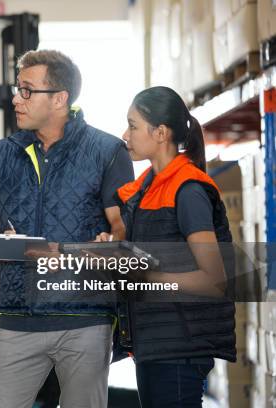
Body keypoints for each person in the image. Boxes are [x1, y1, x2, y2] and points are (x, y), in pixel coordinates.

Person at [0, 49, 134, 408]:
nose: (16, 98)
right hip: (18, 318)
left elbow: (123, 228)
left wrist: (106, 244)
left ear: (60, 98)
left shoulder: (107, 151)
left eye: (27, 90)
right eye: (17, 88)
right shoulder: (3, 153)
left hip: (85, 319)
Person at [95, 86, 236, 408]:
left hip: (180, 346)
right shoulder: (147, 189)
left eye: (132, 125)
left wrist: (147, 280)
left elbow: (213, 280)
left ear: (160, 133)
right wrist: (112, 250)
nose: (124, 134)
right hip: (156, 341)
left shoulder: (188, 191)